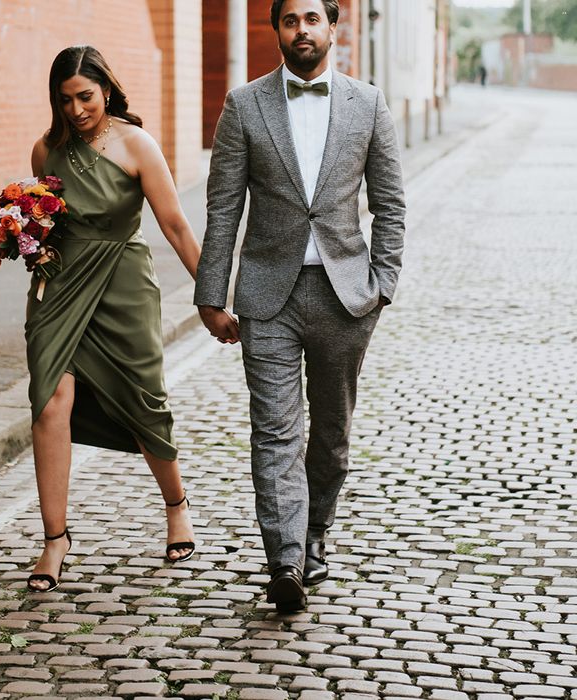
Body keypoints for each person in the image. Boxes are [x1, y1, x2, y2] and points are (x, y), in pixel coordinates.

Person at [195, 0, 405, 612]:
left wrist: (382, 284)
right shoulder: (243, 105)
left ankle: (314, 535)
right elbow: (224, 208)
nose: (302, 30)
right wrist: (212, 293)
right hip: (269, 296)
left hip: (345, 297)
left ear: (332, 28)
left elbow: (390, 204)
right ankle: (284, 558)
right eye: (290, 20)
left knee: (331, 434)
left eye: (313, 19)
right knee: (275, 431)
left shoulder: (369, 104)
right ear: (277, 31)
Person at [25, 45, 200, 592]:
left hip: (123, 286)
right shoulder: (45, 151)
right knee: (51, 400)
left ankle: (177, 507)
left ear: (106, 89)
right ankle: (54, 540)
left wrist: (213, 296)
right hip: (60, 290)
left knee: (145, 400)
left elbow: (174, 225)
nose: (77, 110)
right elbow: (45, 222)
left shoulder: (136, 143)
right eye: (66, 99)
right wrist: (27, 244)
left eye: (86, 96)